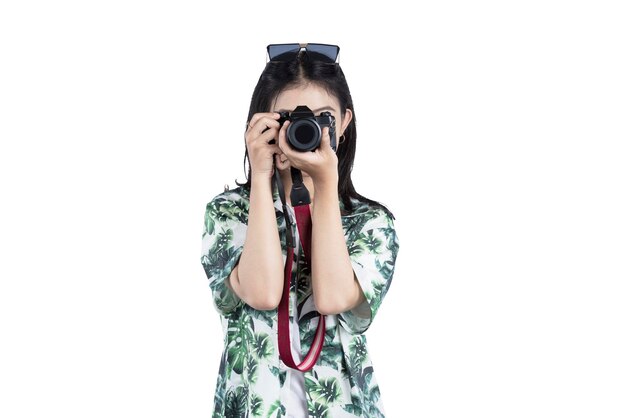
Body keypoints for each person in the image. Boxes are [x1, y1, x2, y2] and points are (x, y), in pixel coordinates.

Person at [200, 43, 400, 418]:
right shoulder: (227, 213)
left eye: (322, 116)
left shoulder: (370, 223)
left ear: (343, 123)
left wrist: (326, 186)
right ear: (260, 122)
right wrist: (261, 177)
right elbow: (260, 293)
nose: (306, 128)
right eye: (287, 117)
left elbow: (334, 298)